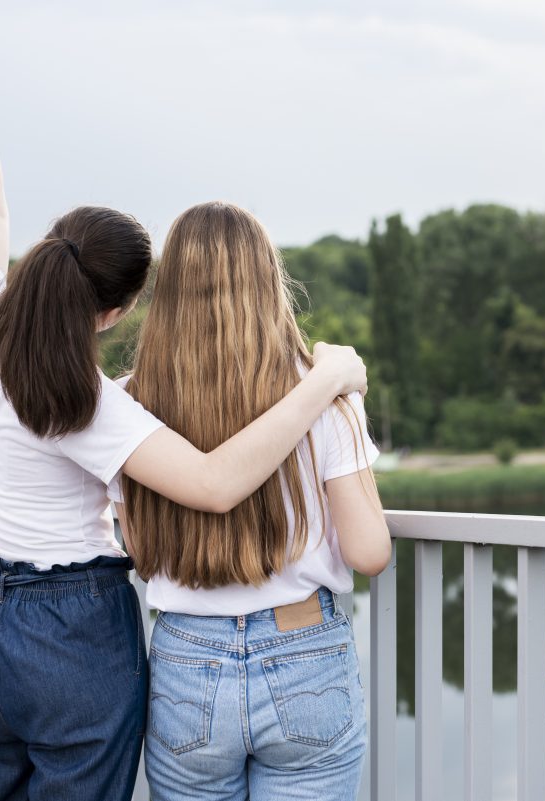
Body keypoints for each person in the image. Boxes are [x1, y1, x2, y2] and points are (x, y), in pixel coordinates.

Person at [0, 28, 368, 801]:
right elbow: (216, 481)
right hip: (75, 634)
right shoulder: (85, 403)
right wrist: (323, 377)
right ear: (116, 310)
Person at [115, 202, 391, 800]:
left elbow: (141, 553)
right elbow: (369, 552)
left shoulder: (128, 403)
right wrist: (350, 408)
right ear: (270, 282)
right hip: (306, 655)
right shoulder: (324, 392)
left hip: (186, 661)